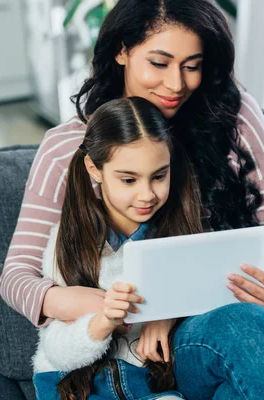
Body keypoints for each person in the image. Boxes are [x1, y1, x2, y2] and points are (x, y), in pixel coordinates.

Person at [0, 0, 264, 397]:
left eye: (192, 65)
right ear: (122, 51)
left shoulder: (234, 116)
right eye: (159, 63)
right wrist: (88, 304)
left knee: (243, 350)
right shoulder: (68, 148)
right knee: (238, 330)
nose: (176, 84)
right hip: (182, 343)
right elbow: (17, 276)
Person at [33, 96, 196, 400]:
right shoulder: (68, 239)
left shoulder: (178, 230)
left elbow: (206, 296)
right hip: (72, 384)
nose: (147, 194)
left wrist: (167, 315)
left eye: (159, 176)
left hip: (145, 381)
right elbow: (57, 351)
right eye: (128, 180)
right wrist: (103, 321)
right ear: (95, 170)